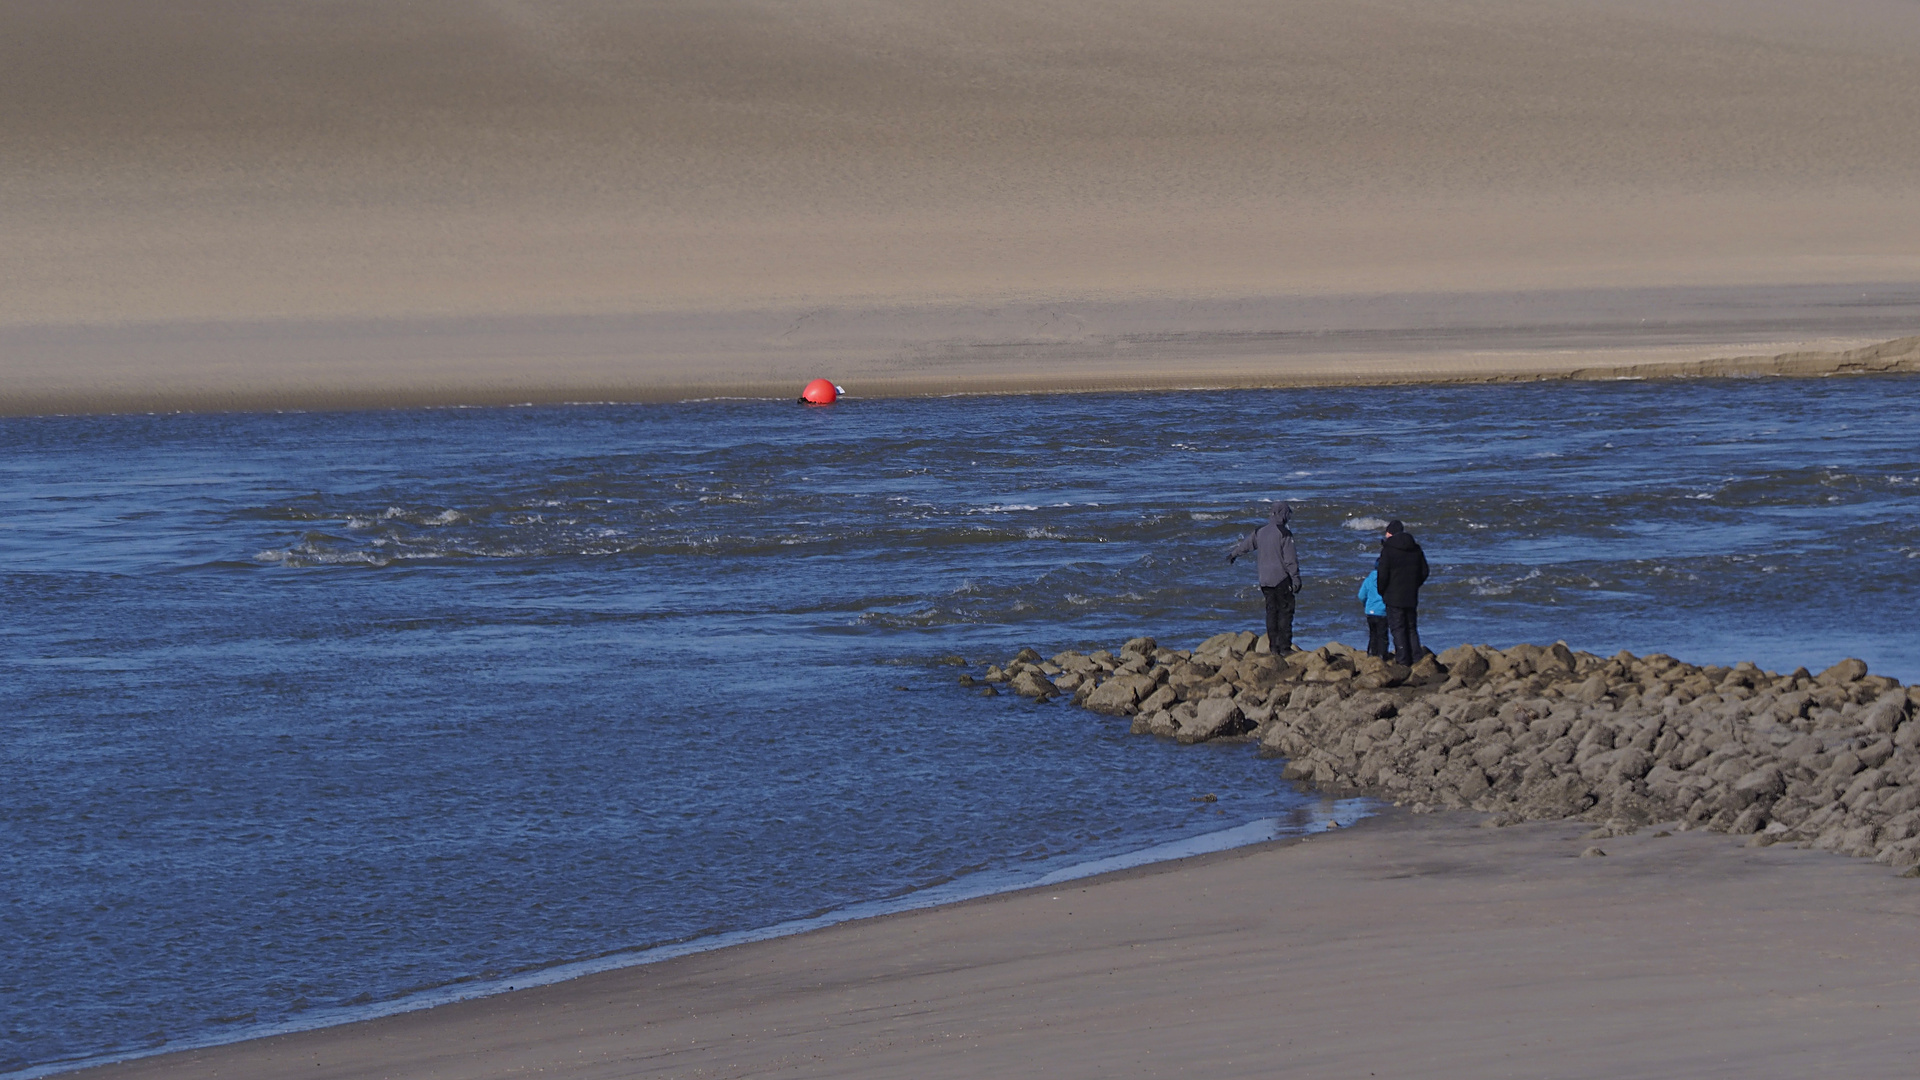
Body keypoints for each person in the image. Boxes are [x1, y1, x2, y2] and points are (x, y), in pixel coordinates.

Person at [1227, 501, 1302, 653]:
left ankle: (1273, 647)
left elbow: (1246, 546)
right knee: (1285, 612)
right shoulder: (1285, 533)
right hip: (1281, 578)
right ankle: (1285, 647)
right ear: (1283, 514)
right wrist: (1296, 579)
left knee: (1271, 613)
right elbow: (1290, 560)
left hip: (1264, 580)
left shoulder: (1260, 531)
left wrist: (1233, 554)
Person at [1376, 519, 1430, 665]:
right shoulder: (1415, 548)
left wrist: (1382, 590)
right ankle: (1416, 658)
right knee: (1411, 627)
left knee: (1398, 628)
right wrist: (1415, 585)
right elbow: (1425, 571)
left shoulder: (1388, 550)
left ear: (1390, 533)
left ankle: (1403, 660)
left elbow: (1382, 574)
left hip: (1393, 596)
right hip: (1410, 594)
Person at [1357, 557, 1389, 659]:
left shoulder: (1368, 579)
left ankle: (1371, 654)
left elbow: (1361, 595)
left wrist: (1366, 604)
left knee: (1373, 635)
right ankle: (1382, 655)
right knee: (1382, 635)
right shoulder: (1387, 579)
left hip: (1370, 611)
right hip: (1382, 611)